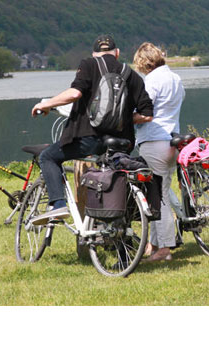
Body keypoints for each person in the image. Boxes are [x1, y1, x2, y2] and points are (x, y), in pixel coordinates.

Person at [31, 34, 154, 222]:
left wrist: (45, 104)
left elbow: (75, 93)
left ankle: (58, 205)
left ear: (94, 54)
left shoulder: (89, 65)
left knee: (48, 157)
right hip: (121, 143)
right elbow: (147, 115)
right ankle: (116, 225)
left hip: (90, 138)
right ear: (117, 53)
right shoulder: (131, 75)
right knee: (113, 176)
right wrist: (122, 119)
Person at [133, 42, 185, 262]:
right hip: (172, 141)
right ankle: (153, 244)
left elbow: (144, 111)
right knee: (157, 192)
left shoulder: (151, 81)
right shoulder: (175, 78)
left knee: (159, 198)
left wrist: (126, 117)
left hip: (154, 140)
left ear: (144, 63)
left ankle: (164, 248)